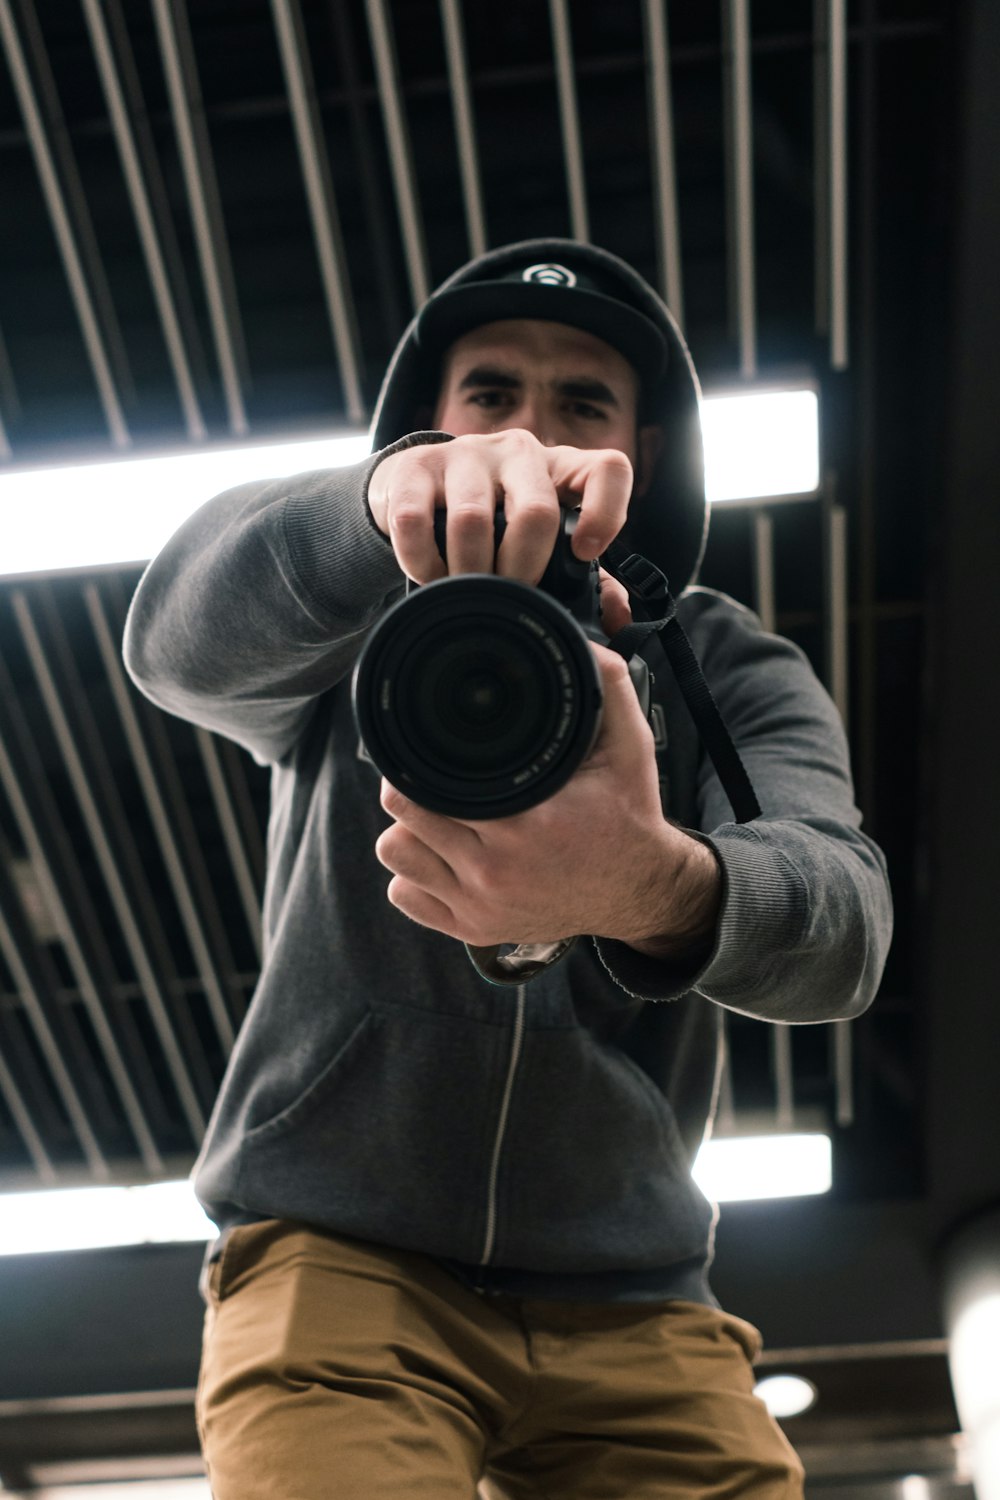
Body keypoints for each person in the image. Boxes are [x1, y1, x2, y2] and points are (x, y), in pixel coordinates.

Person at [124, 239, 893, 1499]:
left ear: (640, 450)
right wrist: (371, 513)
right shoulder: (339, 630)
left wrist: (648, 885)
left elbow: (845, 929)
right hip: (336, 1257)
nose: (532, 433)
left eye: (583, 401)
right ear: (428, 425)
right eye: (490, 393)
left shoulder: (730, 669)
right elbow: (170, 644)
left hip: (636, 1299)